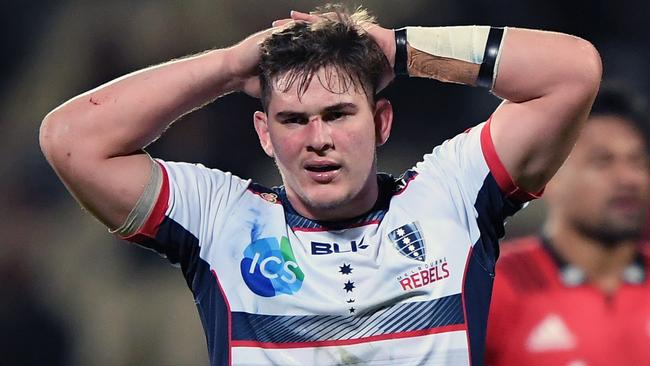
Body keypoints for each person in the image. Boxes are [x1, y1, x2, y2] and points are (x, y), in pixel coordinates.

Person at [39, 5, 601, 366]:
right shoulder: (222, 220)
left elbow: (572, 72)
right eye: (293, 119)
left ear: (382, 122)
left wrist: (393, 49)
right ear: (264, 132)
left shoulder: (449, 194)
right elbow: (70, 139)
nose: (318, 138)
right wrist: (230, 66)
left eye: (338, 114)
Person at [485, 86, 650, 366]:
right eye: (602, 161)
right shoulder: (495, 288)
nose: (629, 178)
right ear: (550, 176)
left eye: (638, 162)